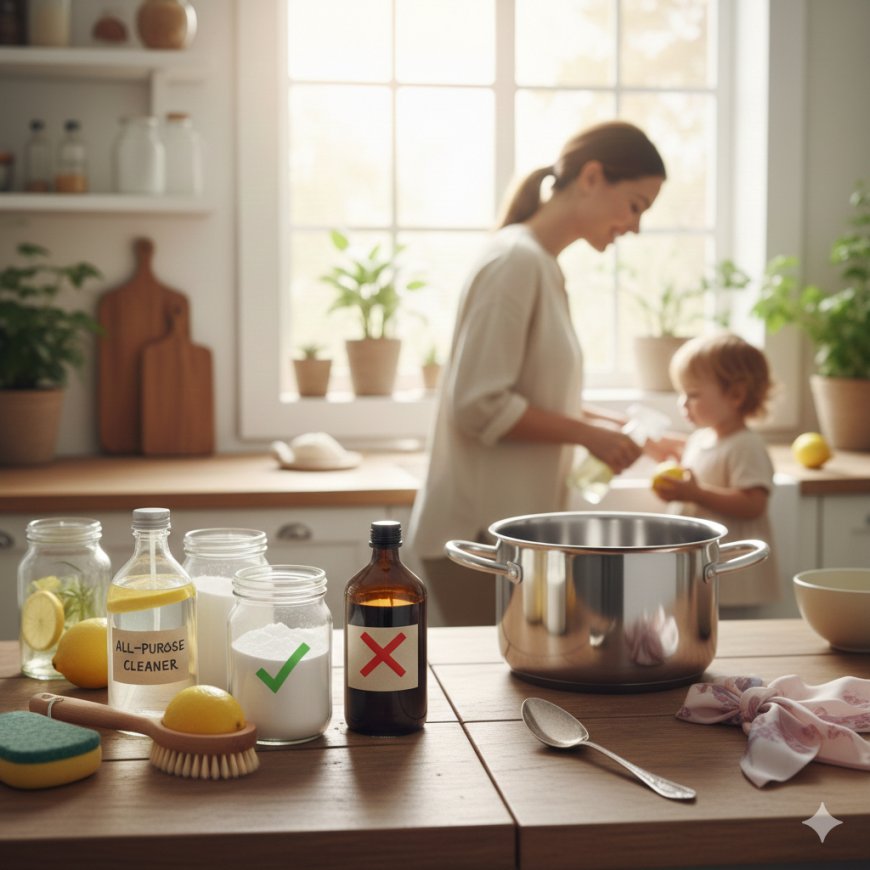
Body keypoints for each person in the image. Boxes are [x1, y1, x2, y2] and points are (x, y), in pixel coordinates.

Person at [407, 120, 669, 626]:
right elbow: (478, 404)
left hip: (501, 535)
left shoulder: (539, 264)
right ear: (592, 177)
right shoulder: (516, 262)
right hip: (476, 538)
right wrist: (588, 435)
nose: (635, 227)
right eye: (635, 205)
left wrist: (615, 432)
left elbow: (533, 395)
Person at [654, 332, 781, 611]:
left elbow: (753, 504)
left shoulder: (746, 445)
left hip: (731, 575)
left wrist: (696, 494)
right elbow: (695, 487)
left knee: (734, 641)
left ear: (736, 394)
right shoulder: (701, 439)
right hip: (702, 572)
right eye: (681, 393)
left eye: (693, 394)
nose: (682, 403)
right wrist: (680, 493)